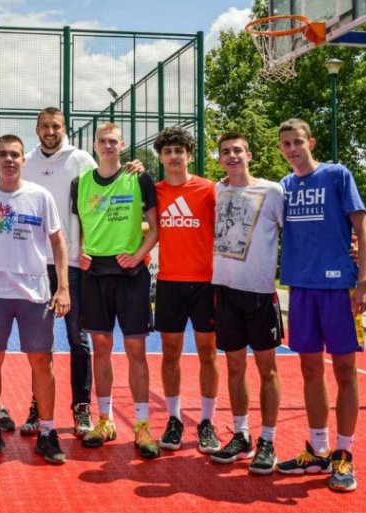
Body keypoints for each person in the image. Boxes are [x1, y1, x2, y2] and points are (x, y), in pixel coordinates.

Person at [274, 118, 366, 493]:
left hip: (339, 288)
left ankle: (343, 454)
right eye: (286, 144)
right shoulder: (283, 187)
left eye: (297, 142)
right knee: (310, 369)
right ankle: (318, 451)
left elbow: (362, 228)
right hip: (301, 288)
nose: (292, 149)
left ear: (310, 142)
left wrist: (364, 280)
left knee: (345, 370)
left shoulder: (337, 175)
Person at [0, 134, 70, 465]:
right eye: (3, 154)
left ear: (24, 160)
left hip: (34, 292)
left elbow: (58, 241)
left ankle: (48, 432)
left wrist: (63, 287)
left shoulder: (40, 196)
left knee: (42, 361)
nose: (9, 159)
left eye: (15, 154)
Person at [72, 123, 160, 459]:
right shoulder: (80, 183)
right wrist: (81, 250)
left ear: (122, 145)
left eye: (113, 141)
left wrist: (137, 256)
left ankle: (142, 425)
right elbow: (80, 226)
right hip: (94, 274)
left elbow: (155, 228)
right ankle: (105, 420)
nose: (108, 146)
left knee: (136, 349)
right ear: (95, 146)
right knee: (101, 347)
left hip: (130, 274)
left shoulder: (139, 178)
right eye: (103, 141)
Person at [18, 107, 98, 437]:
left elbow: (99, 202)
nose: (50, 132)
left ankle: (82, 407)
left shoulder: (81, 160)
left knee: (79, 339)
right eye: (45, 126)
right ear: (37, 129)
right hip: (35, 265)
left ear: (65, 128)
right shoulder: (26, 162)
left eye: (56, 126)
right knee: (40, 343)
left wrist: (89, 246)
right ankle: (39, 406)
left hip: (74, 264)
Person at [207, 132, 284, 474]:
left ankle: (268, 440)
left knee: (267, 369)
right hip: (225, 291)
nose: (232, 155)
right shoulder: (217, 190)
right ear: (220, 159)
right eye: (226, 151)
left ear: (249, 155)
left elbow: (294, 232)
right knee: (235, 367)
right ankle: (242, 436)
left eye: (238, 150)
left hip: (260, 294)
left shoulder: (272, 191)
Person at [152, 127, 221, 455]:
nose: (174, 156)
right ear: (161, 158)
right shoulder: (155, 192)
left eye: (179, 151)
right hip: (169, 282)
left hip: (205, 283)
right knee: (170, 352)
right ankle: (174, 418)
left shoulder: (209, 190)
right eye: (168, 152)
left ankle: (206, 421)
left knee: (208, 352)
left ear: (189, 155)